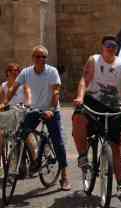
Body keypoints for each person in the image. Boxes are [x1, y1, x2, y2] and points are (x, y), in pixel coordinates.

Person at [72, 35, 121, 197]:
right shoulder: (94, 60)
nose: (111, 47)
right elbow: (84, 80)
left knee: (115, 147)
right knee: (78, 117)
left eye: (114, 45)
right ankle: (82, 156)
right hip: (92, 102)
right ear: (102, 47)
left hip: (113, 106)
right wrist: (80, 97)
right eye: (108, 45)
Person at [0, 45, 72, 191]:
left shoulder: (52, 71)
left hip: (51, 110)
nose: (41, 59)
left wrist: (51, 109)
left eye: (44, 57)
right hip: (34, 110)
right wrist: (4, 103)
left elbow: (56, 91)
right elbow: (14, 88)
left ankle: (64, 176)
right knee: (22, 132)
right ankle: (33, 161)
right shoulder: (26, 72)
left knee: (58, 142)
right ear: (33, 58)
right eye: (38, 56)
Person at [0, 63, 31, 177]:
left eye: (18, 70)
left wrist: (28, 104)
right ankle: (2, 165)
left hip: (23, 111)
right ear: (7, 72)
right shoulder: (3, 86)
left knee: (26, 135)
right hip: (11, 114)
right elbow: (3, 101)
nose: (16, 72)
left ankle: (35, 160)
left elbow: (28, 96)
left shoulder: (23, 85)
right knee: (2, 135)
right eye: (13, 70)